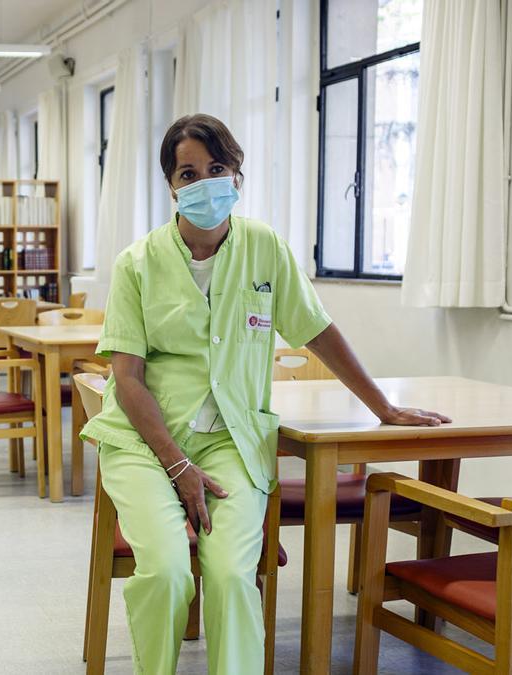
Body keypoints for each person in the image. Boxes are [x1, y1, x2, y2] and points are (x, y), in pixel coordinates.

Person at [80, 114, 450, 674]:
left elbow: (317, 329)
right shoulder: (137, 263)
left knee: (231, 573)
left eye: (217, 168)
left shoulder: (264, 248)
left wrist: (384, 408)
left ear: (237, 175)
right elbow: (126, 378)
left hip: (232, 439)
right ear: (171, 186)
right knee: (166, 570)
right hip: (145, 444)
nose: (204, 182)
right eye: (188, 173)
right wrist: (177, 467)